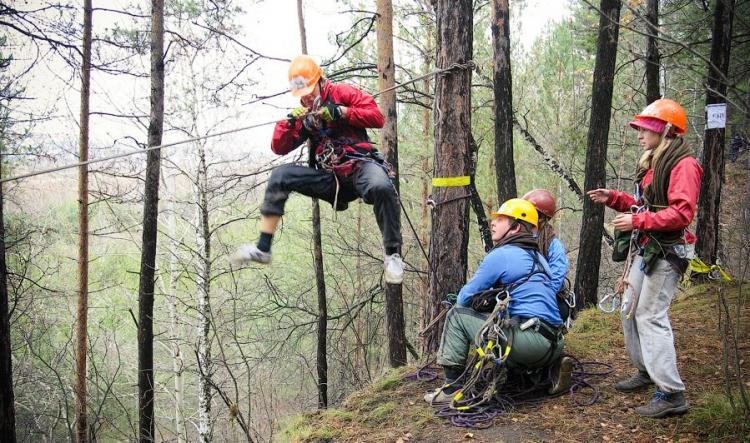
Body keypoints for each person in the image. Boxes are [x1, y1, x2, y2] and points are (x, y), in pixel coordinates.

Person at [231, 55, 404, 284]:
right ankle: (263, 249)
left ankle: (392, 254)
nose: (308, 98)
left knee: (382, 186)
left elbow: (376, 117)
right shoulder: (305, 116)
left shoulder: (342, 93)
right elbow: (279, 147)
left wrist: (342, 112)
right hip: (331, 179)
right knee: (281, 176)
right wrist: (289, 123)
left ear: (321, 81)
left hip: (359, 166)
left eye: (310, 91)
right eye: (302, 95)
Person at [588, 98, 702, 418]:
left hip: (669, 250)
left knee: (650, 315)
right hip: (649, 246)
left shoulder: (683, 165)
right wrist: (614, 199)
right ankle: (646, 371)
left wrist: (637, 222)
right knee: (630, 308)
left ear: (665, 130)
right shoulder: (654, 161)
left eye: (645, 128)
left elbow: (680, 214)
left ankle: (671, 393)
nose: (639, 134)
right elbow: (644, 205)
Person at [424, 198, 565, 404]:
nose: (493, 223)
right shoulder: (539, 257)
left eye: (500, 219)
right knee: (503, 323)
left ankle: (452, 388)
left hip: (530, 343)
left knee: (456, 315)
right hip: (554, 341)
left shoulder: (502, 255)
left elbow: (464, 298)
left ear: (516, 227)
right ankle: (543, 372)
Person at [522, 189, 573, 394]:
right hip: (524, 297)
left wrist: (540, 299)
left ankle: (553, 366)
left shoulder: (552, 244)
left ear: (541, 217)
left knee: (543, 331)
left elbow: (558, 274)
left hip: (550, 300)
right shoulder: (518, 237)